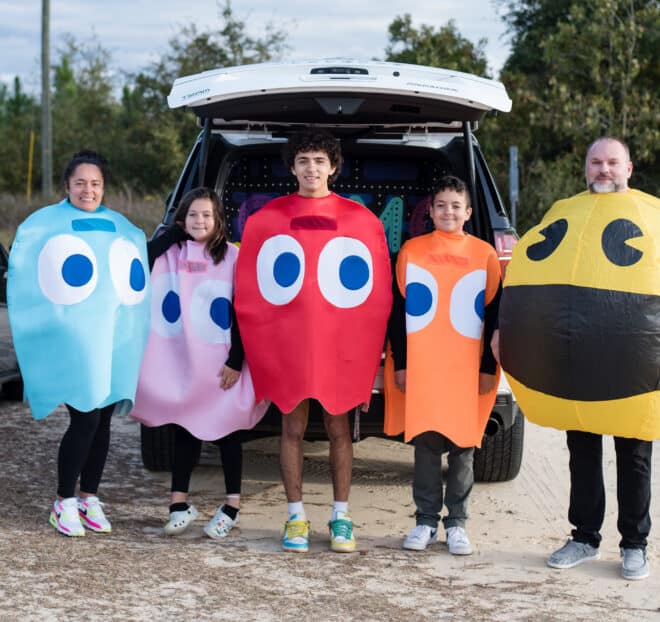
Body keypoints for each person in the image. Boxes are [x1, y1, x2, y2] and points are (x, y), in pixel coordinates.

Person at [494, 136, 657, 581]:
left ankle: (634, 544)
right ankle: (584, 536)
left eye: (612, 163)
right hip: (576, 359)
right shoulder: (565, 213)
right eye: (596, 162)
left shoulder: (652, 216)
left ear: (629, 169)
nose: (603, 170)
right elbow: (527, 274)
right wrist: (507, 330)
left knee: (634, 455)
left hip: (633, 360)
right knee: (581, 451)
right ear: (586, 168)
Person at [234, 129, 392, 553]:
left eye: (320, 161)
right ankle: (296, 518)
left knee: (340, 428)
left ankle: (341, 517)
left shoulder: (361, 220)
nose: (311, 169)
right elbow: (248, 291)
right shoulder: (267, 218)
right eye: (303, 160)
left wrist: (366, 358)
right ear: (292, 167)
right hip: (289, 348)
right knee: (293, 427)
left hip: (338, 348)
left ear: (333, 167)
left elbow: (377, 296)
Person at [7, 150, 151, 537]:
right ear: (67, 186)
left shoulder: (121, 227)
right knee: (85, 416)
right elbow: (26, 277)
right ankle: (63, 500)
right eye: (80, 183)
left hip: (111, 340)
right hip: (74, 344)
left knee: (103, 419)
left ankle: (89, 497)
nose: (88, 190)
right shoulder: (45, 225)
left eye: (96, 184)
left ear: (105, 187)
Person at [131, 187, 267, 539]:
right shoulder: (172, 253)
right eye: (192, 215)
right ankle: (179, 504)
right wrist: (173, 233)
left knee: (229, 434)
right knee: (185, 430)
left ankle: (231, 506)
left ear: (220, 220)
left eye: (207, 215)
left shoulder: (234, 258)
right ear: (183, 219)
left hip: (223, 364)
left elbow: (242, 310)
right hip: (185, 361)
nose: (199, 221)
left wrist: (237, 359)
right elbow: (139, 262)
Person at [386, 175, 501, 554]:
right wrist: (401, 364)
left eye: (456, 206)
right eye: (441, 205)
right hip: (424, 368)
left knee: (464, 446)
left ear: (468, 212)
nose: (448, 212)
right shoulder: (412, 251)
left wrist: (487, 367)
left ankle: (457, 524)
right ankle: (425, 521)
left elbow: (495, 315)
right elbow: (398, 313)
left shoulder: (484, 254)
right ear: (430, 211)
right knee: (427, 444)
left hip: (466, 368)